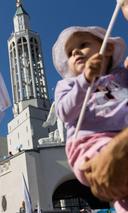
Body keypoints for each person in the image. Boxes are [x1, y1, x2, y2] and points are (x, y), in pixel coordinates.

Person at [53, 21, 128, 212]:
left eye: (83, 45)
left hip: (123, 134)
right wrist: (85, 80)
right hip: (91, 143)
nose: (76, 52)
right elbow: (63, 112)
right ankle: (110, 165)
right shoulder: (69, 85)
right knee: (113, 165)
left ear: (108, 48)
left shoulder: (120, 76)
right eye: (70, 53)